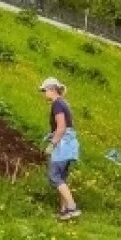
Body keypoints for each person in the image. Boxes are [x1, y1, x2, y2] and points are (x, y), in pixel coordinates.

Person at [40, 77, 81, 220]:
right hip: (70, 145)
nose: (43, 93)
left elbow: (62, 127)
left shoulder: (57, 104)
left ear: (52, 89)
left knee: (54, 177)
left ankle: (72, 207)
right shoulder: (64, 103)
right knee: (62, 178)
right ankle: (64, 212)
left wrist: (52, 145)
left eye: (44, 90)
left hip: (63, 145)